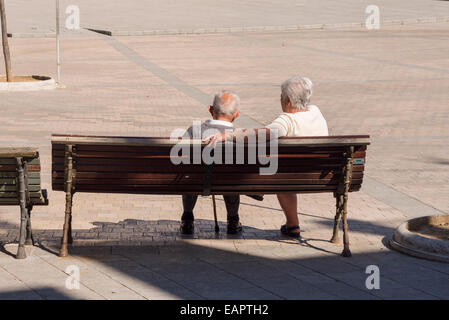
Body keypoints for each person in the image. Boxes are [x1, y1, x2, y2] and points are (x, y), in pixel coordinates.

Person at [204, 76, 328, 238]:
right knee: (280, 166)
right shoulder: (315, 111)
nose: (280, 100)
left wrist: (228, 135)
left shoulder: (286, 121)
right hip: (319, 174)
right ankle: (292, 225)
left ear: (288, 101)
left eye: (282, 96)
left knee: (263, 160)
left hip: (288, 177)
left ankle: (258, 190)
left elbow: (260, 135)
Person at [180, 90, 243, 235]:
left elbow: (181, 156)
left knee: (191, 173)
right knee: (231, 177)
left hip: (197, 181)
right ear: (236, 115)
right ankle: (233, 220)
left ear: (210, 110)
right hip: (229, 182)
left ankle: (187, 218)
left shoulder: (195, 130)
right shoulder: (241, 136)